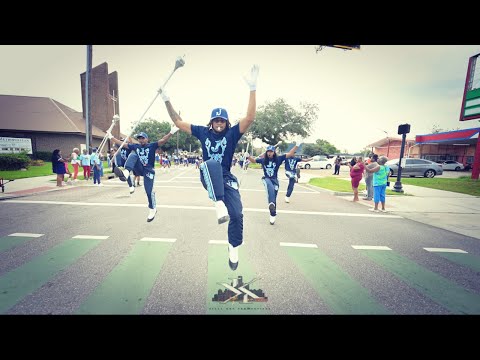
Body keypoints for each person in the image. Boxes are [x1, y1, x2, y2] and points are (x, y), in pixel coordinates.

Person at [159, 64, 259, 271]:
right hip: (208, 173)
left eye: (222, 120)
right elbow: (178, 122)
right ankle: (218, 204)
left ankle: (233, 247)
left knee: (238, 215)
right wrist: (166, 99)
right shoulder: (202, 132)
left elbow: (250, 118)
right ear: (211, 122)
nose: (219, 123)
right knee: (211, 163)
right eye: (216, 120)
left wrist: (253, 87)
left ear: (226, 122)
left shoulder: (232, 133)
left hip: (226, 178)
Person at [108, 128, 178, 222]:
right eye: (139, 138)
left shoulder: (152, 146)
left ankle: (152, 208)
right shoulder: (136, 146)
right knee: (133, 154)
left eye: (143, 138)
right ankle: (126, 172)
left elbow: (163, 140)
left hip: (148, 170)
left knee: (148, 191)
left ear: (147, 139)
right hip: (139, 167)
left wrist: (171, 132)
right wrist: (111, 137)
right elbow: (122, 144)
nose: (141, 140)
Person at [245, 141, 301, 224]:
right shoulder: (263, 160)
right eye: (268, 151)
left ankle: (272, 213)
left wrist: (297, 145)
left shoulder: (278, 159)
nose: (269, 153)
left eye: (271, 151)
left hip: (275, 180)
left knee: (273, 196)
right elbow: (254, 161)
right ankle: (271, 204)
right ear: (266, 152)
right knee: (269, 187)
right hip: (266, 178)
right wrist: (248, 156)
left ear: (274, 152)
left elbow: (290, 154)